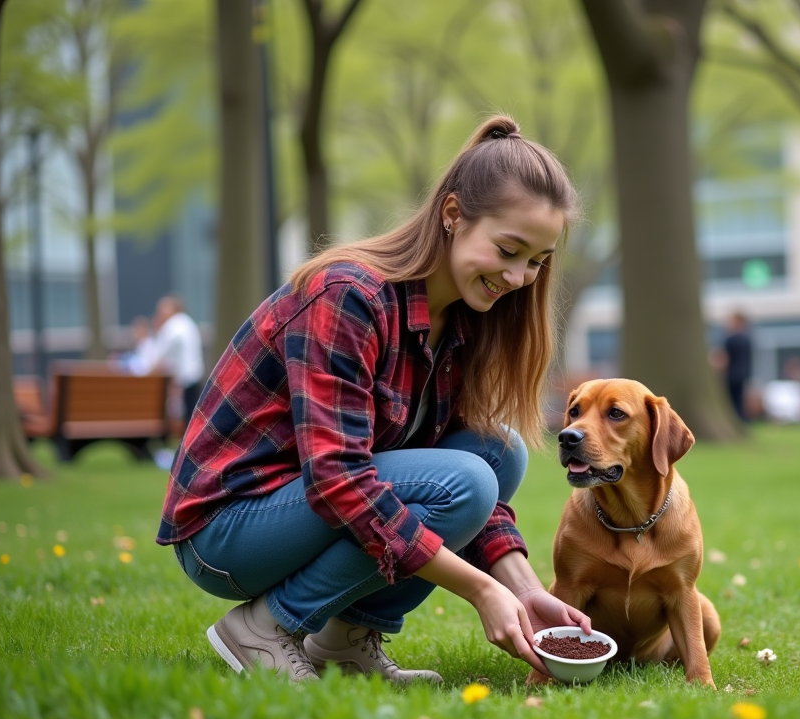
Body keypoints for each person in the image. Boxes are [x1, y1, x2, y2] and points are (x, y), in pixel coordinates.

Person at [157, 116, 590, 684]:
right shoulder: (347, 295)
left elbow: (446, 481)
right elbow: (340, 479)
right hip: (230, 529)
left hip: (306, 507)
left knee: (499, 451)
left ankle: (344, 638)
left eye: (536, 261)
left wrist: (527, 592)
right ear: (453, 215)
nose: (518, 277)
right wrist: (481, 590)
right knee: (468, 480)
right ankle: (265, 626)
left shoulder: (461, 320)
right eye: (509, 249)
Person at [135, 296, 206, 422]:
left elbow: (157, 358)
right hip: (194, 376)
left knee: (187, 417)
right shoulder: (187, 322)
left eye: (163, 308)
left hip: (185, 380)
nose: (159, 313)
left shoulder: (173, 325)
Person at [720, 313, 752, 422]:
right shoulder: (747, 339)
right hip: (743, 374)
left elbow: (725, 359)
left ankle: (737, 419)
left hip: (732, 375)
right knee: (739, 399)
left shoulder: (731, 340)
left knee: (733, 401)